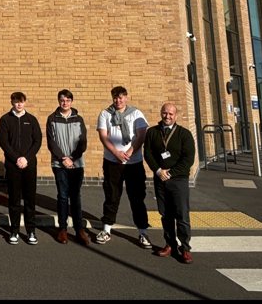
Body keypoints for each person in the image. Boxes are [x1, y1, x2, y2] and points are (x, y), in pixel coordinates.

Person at [96, 86, 151, 248]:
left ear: (126, 97)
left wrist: (129, 152)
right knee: (112, 196)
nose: (117, 101)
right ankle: (106, 230)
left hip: (133, 163)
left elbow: (142, 135)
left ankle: (142, 232)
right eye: (115, 98)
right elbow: (103, 136)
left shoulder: (136, 114)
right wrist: (116, 153)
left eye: (120, 97)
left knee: (137, 198)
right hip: (112, 163)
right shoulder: (105, 114)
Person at [144, 103, 196, 264]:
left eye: (171, 114)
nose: (167, 116)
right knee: (165, 214)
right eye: (165, 113)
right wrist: (158, 170)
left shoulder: (184, 134)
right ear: (161, 113)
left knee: (181, 215)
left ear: (176, 115)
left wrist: (171, 172)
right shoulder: (152, 132)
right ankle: (170, 244)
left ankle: (185, 248)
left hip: (178, 179)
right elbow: (148, 153)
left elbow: (188, 159)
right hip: (160, 179)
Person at [0, 91, 43, 245]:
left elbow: (37, 141)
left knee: (30, 199)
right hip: (13, 165)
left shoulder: (31, 120)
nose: (19, 104)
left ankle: (31, 231)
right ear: (11, 102)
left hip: (29, 165)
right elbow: (3, 142)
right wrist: (16, 158)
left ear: (25, 102)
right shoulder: (5, 120)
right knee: (14, 200)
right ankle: (14, 231)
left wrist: (26, 158)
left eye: (21, 101)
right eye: (16, 101)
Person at [46, 89, 90, 245]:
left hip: (76, 164)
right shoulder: (52, 118)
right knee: (63, 196)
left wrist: (72, 158)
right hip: (59, 164)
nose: (65, 103)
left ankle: (79, 230)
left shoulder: (79, 119)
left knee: (76, 197)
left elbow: (83, 142)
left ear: (72, 101)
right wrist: (62, 158)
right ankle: (62, 230)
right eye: (62, 100)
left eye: (68, 100)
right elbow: (51, 142)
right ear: (59, 101)